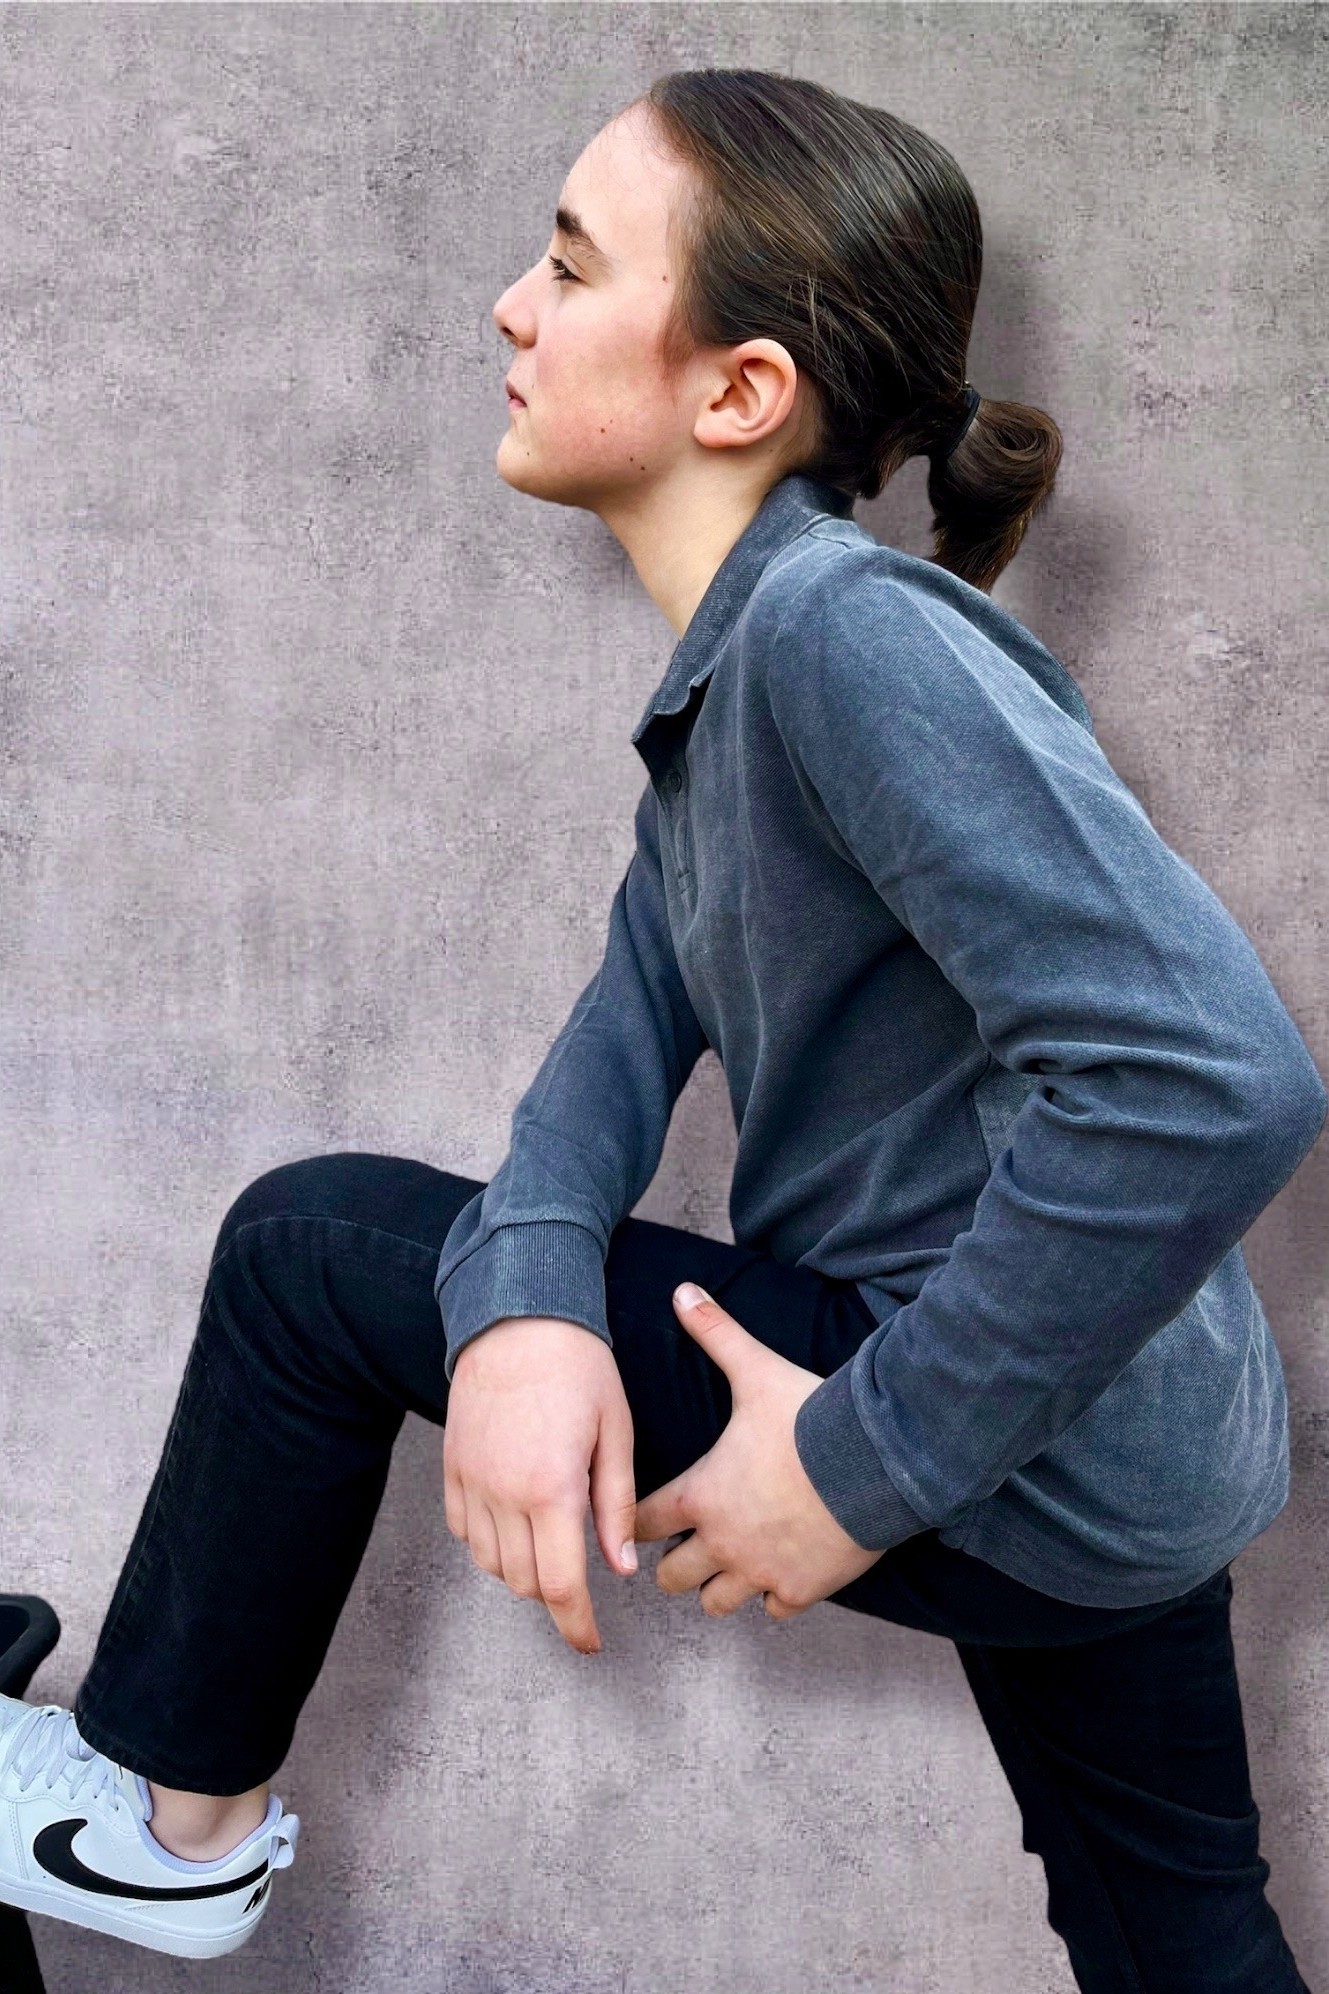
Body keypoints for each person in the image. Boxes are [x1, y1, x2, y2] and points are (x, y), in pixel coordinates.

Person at [0, 66, 1323, 1987]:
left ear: (738, 391)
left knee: (307, 1250)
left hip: (1004, 1418)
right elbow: (603, 1065)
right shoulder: (735, 691)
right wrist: (526, 1304)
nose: (508, 308)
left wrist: (857, 1462)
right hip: (1114, 1441)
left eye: (567, 266)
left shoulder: (840, 637)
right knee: (1176, 1939)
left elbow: (1217, 1079)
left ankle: (167, 1823)